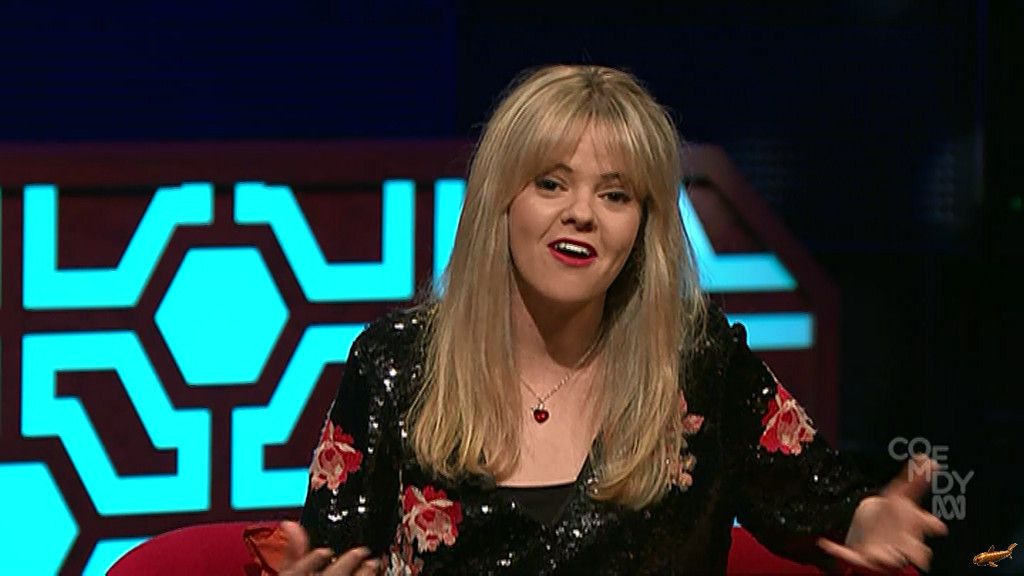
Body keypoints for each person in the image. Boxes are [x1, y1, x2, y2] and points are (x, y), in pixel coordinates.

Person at [279, 64, 947, 575]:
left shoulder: (698, 363)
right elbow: (332, 554)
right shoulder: (398, 366)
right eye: (551, 183)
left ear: (643, 225)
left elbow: (822, 499)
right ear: (499, 202)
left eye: (616, 194)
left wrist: (866, 519)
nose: (582, 213)